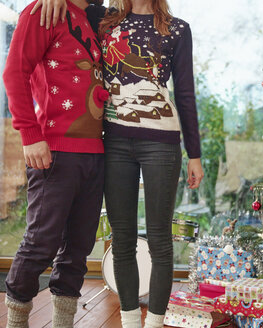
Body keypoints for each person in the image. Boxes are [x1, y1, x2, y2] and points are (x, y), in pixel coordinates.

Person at [99, 0, 203, 327]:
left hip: (162, 142)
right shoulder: (103, 21)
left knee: (159, 238)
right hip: (113, 142)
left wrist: (195, 154)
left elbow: (185, 93)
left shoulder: (177, 29)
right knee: (123, 238)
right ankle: (130, 321)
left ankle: (155, 323)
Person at [2, 0, 107, 326]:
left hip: (95, 153)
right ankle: (17, 322)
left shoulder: (93, 19)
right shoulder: (43, 10)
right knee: (40, 243)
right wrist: (29, 133)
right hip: (55, 151)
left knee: (79, 248)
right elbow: (14, 72)